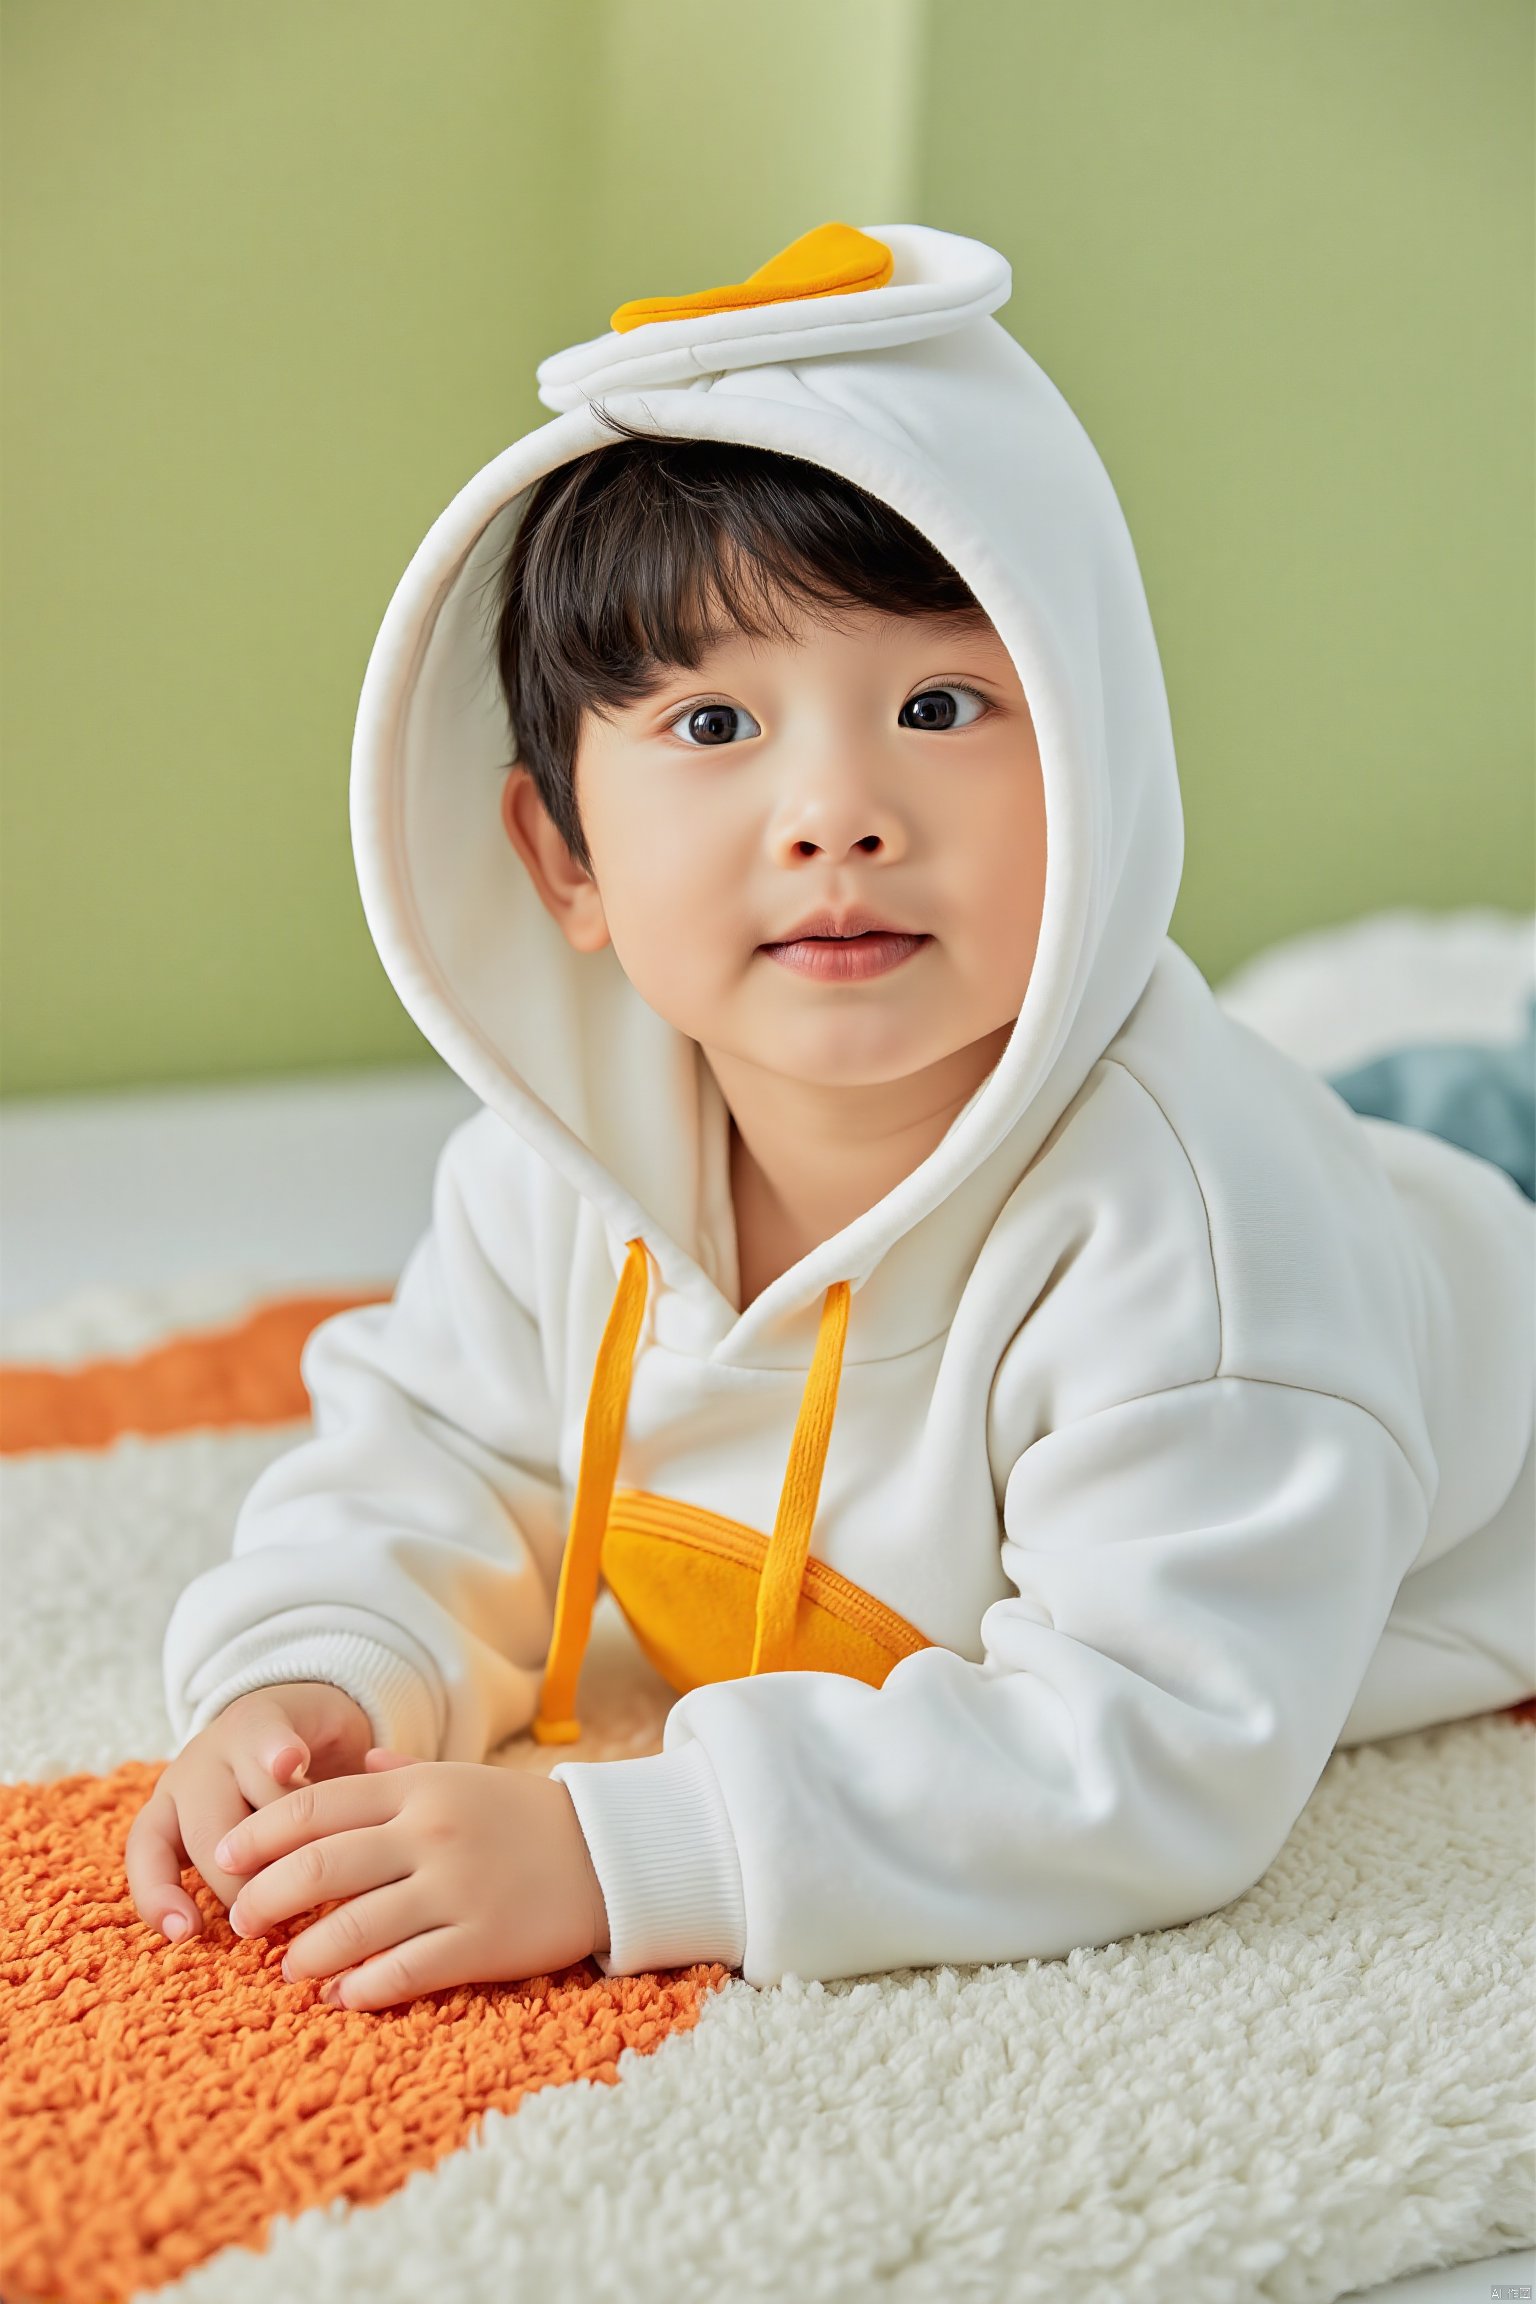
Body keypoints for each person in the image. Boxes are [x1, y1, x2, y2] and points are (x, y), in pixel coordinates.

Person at [125, 221, 1535, 2005]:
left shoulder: (1210, 1248)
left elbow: (1155, 1749)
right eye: (713, 723)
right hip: (1353, 1170)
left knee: (1451, 1124)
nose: (835, 815)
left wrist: (625, 1850)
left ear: (1101, 765)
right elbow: (444, 1456)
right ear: (561, 854)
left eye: (939, 704)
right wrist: (319, 1672)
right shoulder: (557, 1170)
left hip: (1462, 1292)